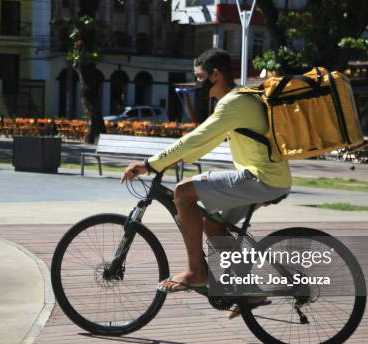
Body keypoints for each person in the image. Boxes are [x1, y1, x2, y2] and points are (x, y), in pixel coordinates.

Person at [120, 48, 292, 318]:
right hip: (270, 178)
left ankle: (196, 271)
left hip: (260, 178)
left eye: (200, 77)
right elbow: (204, 142)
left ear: (216, 74)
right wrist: (172, 159)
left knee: (183, 192)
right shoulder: (240, 100)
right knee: (213, 223)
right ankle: (252, 291)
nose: (196, 83)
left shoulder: (233, 103)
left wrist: (150, 164)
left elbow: (196, 139)